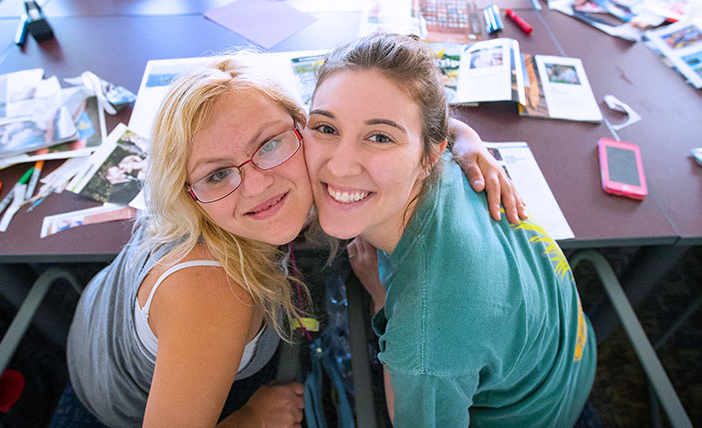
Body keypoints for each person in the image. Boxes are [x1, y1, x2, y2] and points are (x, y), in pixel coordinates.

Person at [66, 54, 522, 427]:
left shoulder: (231, 195)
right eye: (218, 174)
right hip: (119, 395)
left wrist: (464, 138)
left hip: (101, 312)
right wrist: (250, 420)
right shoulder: (217, 295)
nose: (259, 184)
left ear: (304, 127)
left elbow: (389, 104)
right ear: (188, 191)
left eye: (268, 144)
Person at [302, 33, 596, 427]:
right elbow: (437, 128)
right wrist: (467, 136)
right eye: (325, 128)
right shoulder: (457, 164)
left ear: (429, 154)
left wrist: (380, 301)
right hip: (566, 358)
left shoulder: (424, 340)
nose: (339, 167)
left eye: (379, 137)